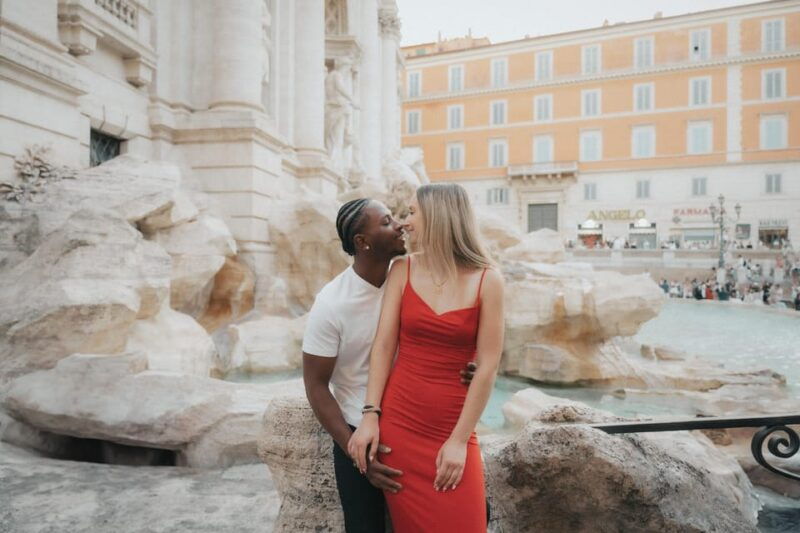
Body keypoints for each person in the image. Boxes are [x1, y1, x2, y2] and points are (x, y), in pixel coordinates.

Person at [302, 198, 477, 533]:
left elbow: (451, 335)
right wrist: (355, 452)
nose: (398, 225)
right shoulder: (331, 304)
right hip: (359, 431)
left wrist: (471, 365)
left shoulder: (416, 276)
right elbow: (315, 386)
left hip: (423, 425)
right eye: (385, 222)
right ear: (362, 242)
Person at [348, 183, 504, 532]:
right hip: (399, 430)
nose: (404, 222)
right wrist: (370, 415)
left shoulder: (488, 280)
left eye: (412, 212)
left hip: (453, 429)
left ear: (439, 217)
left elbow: (489, 366)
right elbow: (383, 347)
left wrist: (459, 441)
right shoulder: (402, 269)